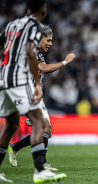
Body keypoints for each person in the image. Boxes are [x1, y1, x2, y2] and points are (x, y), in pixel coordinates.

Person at [0, 0, 66, 183]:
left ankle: (30, 161)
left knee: (11, 126)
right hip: (18, 81)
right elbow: (31, 53)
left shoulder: (12, 25)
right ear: (43, 11)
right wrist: (38, 84)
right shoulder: (34, 26)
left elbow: (0, 45)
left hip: (3, 78)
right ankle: (40, 170)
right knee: (38, 121)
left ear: (27, 8)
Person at [7, 25, 75, 171]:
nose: (50, 43)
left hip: (34, 95)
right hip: (24, 94)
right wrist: (65, 62)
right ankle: (42, 166)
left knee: (47, 130)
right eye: (48, 40)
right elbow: (43, 68)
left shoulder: (38, 52)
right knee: (43, 127)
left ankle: (15, 147)